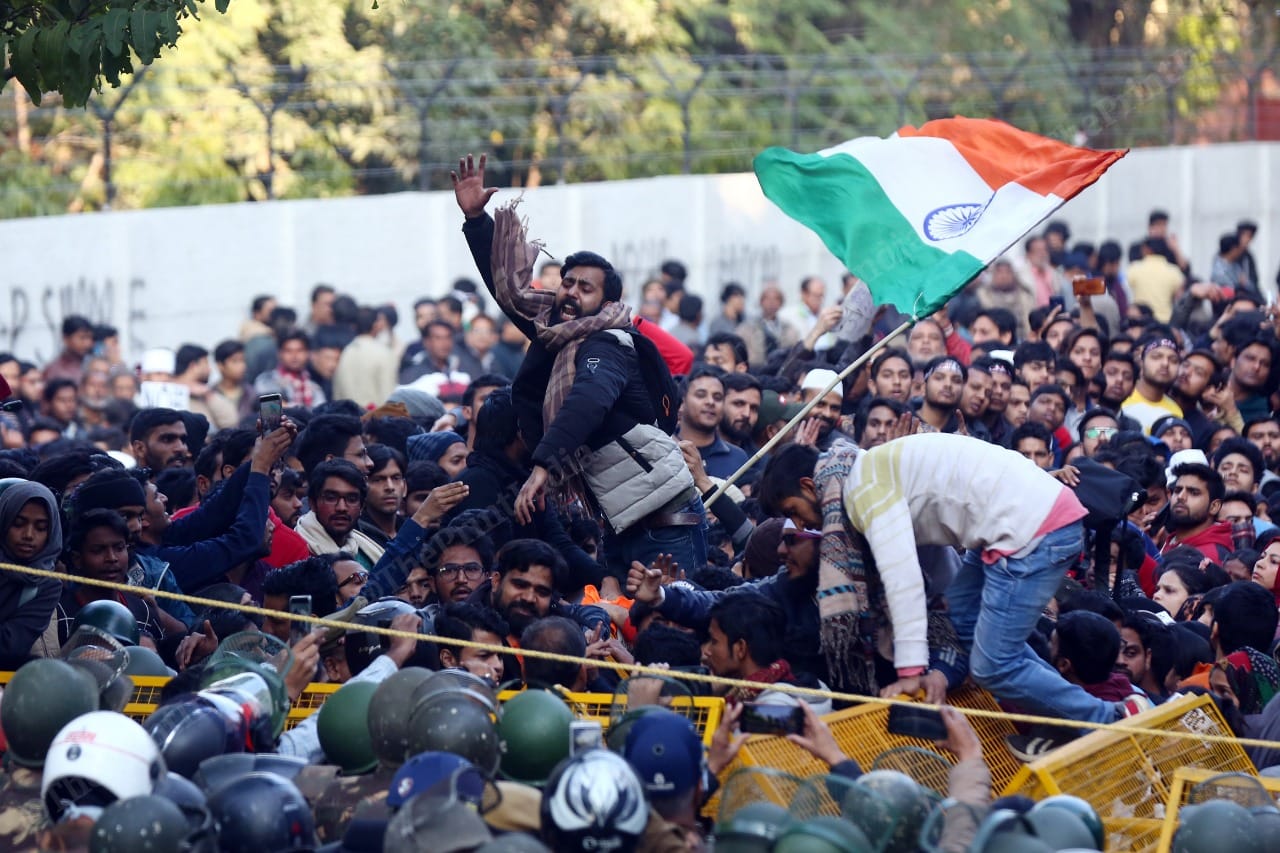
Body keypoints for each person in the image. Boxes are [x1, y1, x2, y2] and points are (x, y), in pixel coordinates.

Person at [759, 434, 1134, 724]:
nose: (804, 526)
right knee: (962, 627)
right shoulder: (861, 468)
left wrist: (909, 672)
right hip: (1017, 525)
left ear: (810, 486)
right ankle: (1079, 717)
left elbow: (902, 577)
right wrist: (937, 670)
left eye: (795, 512)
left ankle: (1109, 721)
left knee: (993, 666)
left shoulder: (861, 489)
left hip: (1031, 531)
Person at [453, 153, 705, 577]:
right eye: (566, 282)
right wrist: (478, 222)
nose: (570, 293)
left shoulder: (606, 343)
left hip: (665, 521)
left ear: (605, 304)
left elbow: (588, 399)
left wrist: (542, 466)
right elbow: (506, 292)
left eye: (584, 288)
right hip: (621, 518)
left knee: (673, 624)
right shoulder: (558, 332)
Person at [0, 481, 63, 669]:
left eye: (41, 527)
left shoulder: (47, 585)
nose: (28, 534)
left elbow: (10, 646)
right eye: (18, 523)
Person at [297, 460, 386, 570]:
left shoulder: (368, 550)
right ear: (313, 503)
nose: (341, 508)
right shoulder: (295, 551)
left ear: (361, 507)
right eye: (331, 498)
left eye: (352, 499)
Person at [676, 365, 748, 480]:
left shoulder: (738, 458)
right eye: (701, 395)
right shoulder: (665, 449)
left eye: (718, 397)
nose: (710, 402)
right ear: (682, 402)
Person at [333, 306, 399, 407]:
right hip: (375, 419)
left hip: (346, 419)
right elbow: (389, 396)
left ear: (354, 326)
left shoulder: (346, 352)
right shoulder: (384, 353)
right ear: (376, 325)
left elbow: (337, 394)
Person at [254, 330, 327, 407]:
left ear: (307, 353)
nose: (294, 356)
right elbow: (271, 409)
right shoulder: (266, 380)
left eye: (300, 350)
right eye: (288, 351)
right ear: (280, 354)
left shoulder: (314, 386)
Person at [737, 282, 801, 367]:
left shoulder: (789, 329)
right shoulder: (747, 328)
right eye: (767, 299)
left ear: (781, 303)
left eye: (776, 299)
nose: (771, 303)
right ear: (761, 301)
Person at [42, 315, 95, 384]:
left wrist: (113, 365)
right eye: (82, 338)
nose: (87, 343)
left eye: (90, 338)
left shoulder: (91, 362)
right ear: (66, 339)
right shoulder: (55, 371)